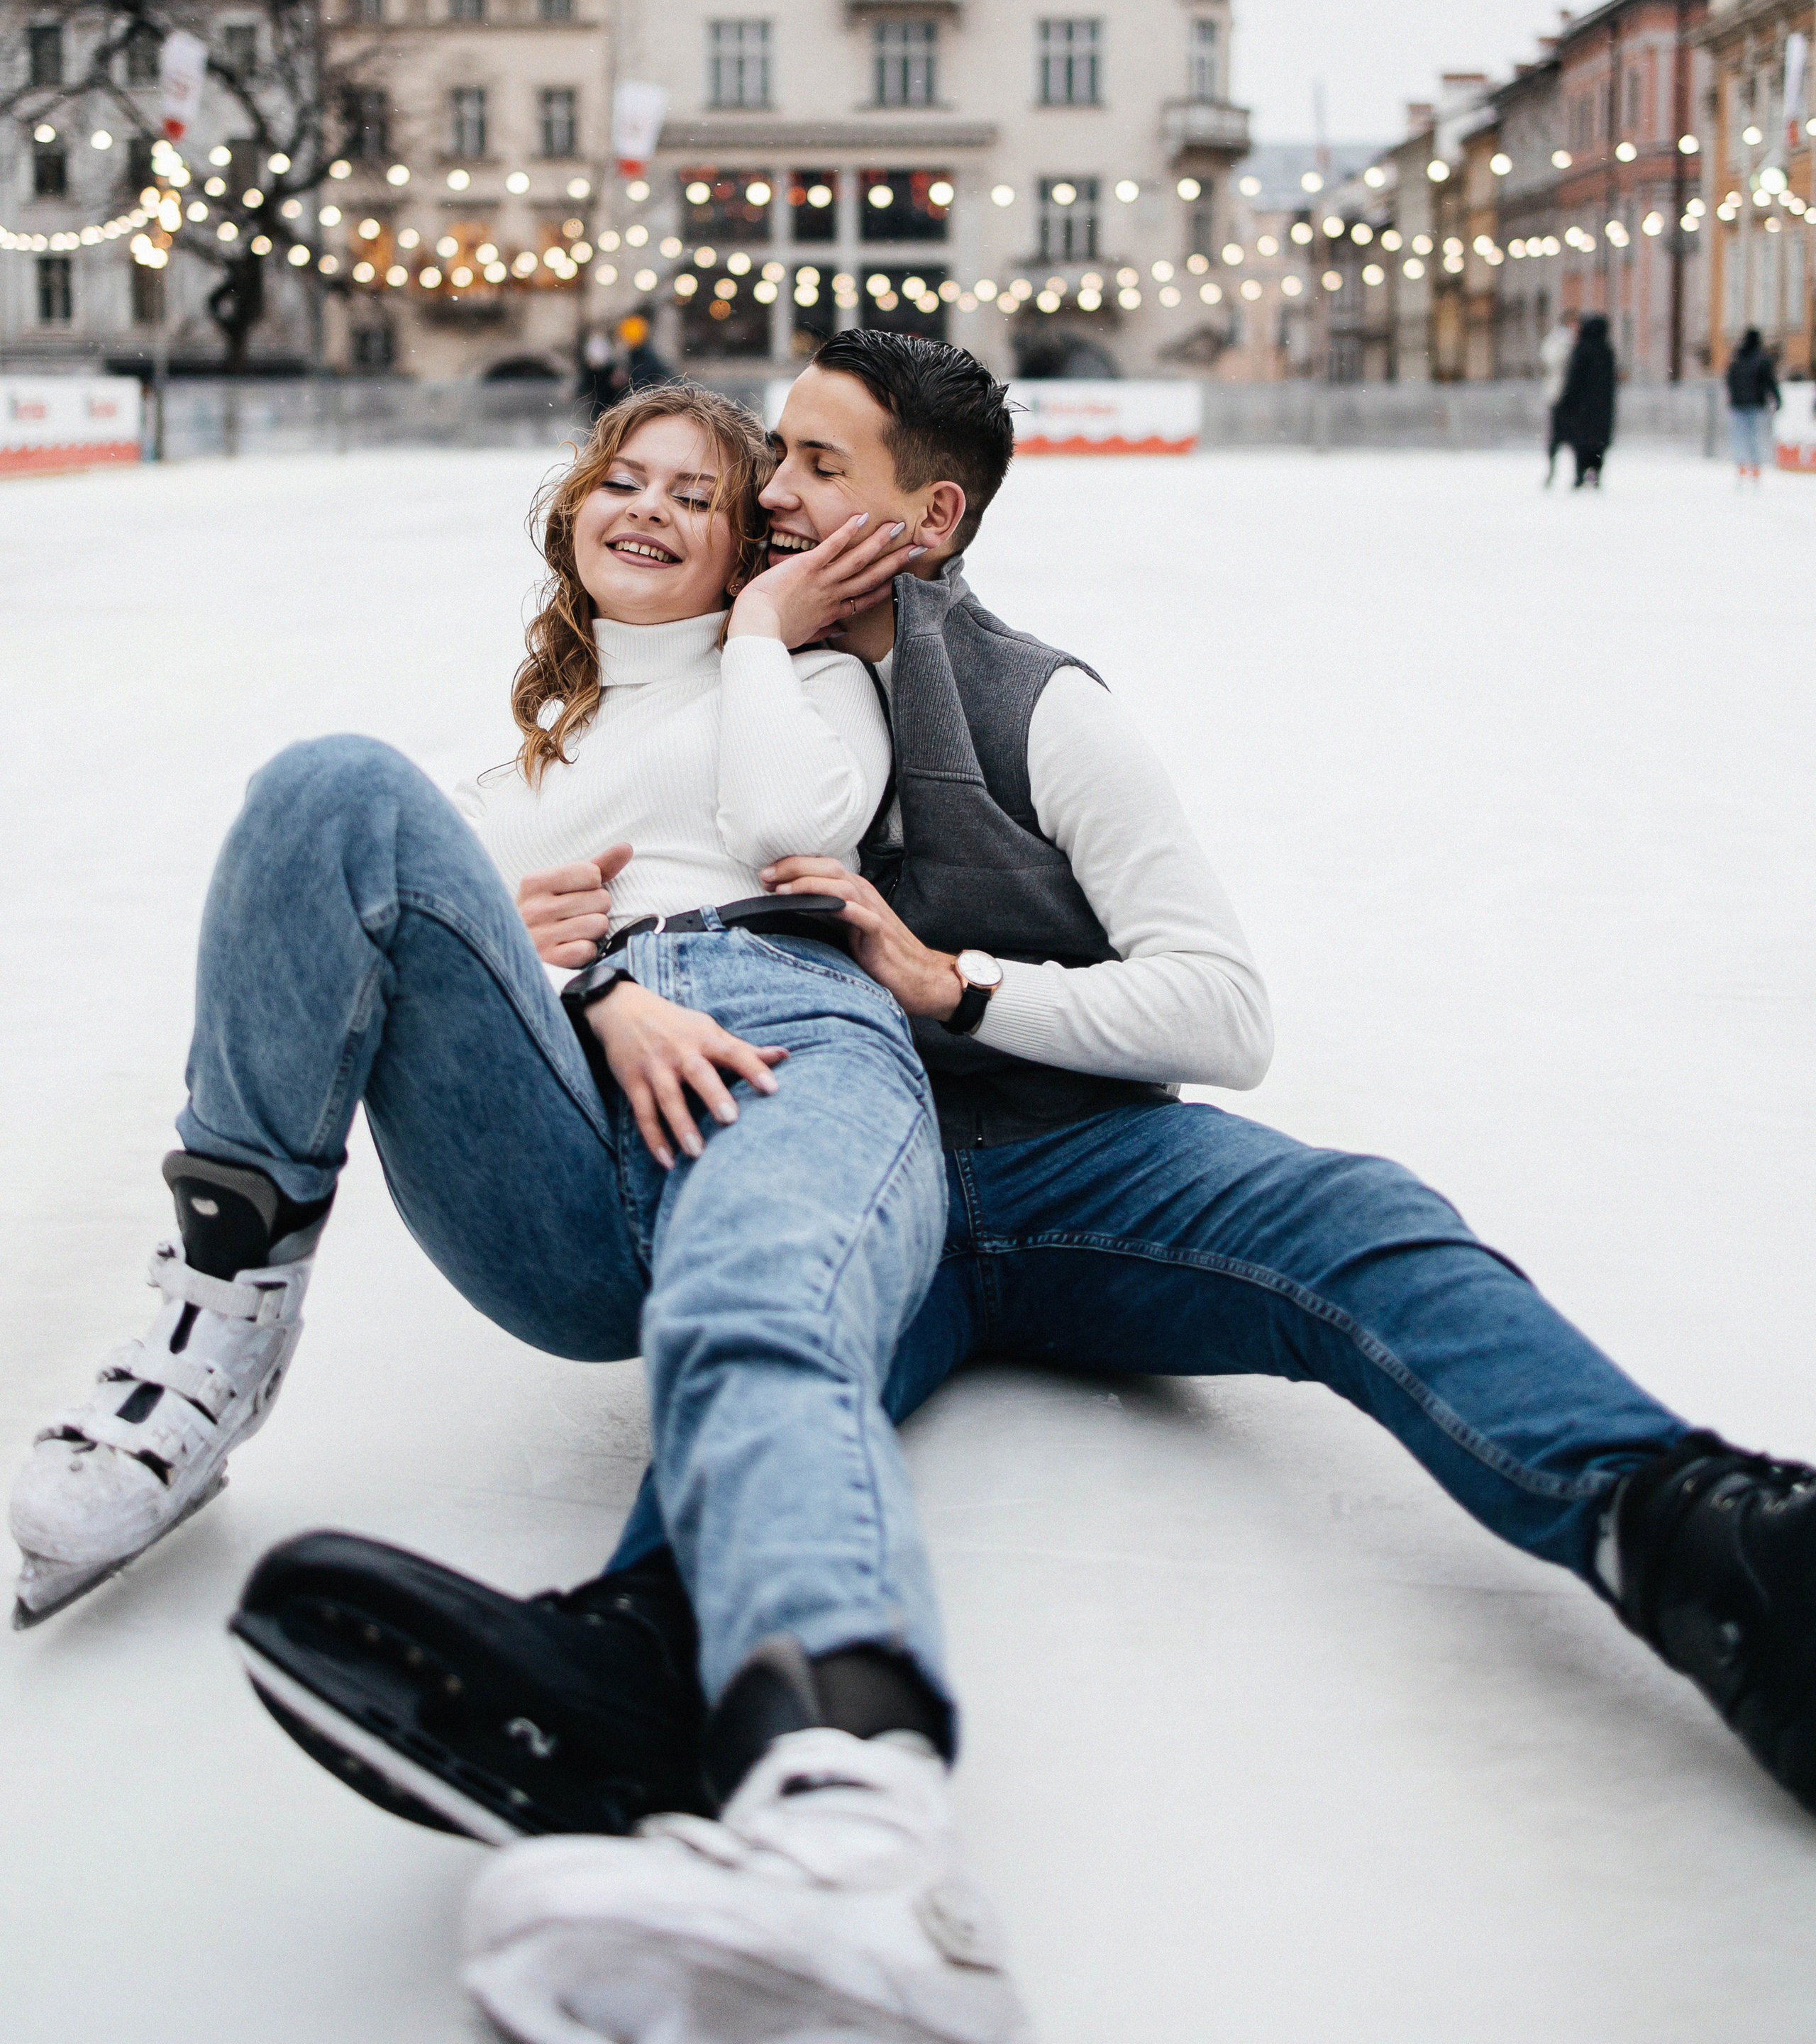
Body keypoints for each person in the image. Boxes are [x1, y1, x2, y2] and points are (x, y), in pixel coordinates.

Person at [248, 333, 1816, 2042]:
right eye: (773, 456)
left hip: (1058, 1151)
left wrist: (958, 987)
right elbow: (573, 879)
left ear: (925, 521)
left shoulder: (1033, 705)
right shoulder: (714, 672)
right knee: (763, 1308)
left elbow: (1220, 1007)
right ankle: (659, 1657)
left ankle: (1700, 1541)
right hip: (819, 1148)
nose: (769, 494)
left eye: (819, 468)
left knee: (1359, 1223)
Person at [11, 375, 1035, 2044]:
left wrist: (761, 631)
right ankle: (211, 1340)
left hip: (772, 1058)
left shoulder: (805, 682)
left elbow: (790, 826)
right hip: (554, 1173)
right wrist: (577, 983)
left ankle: (853, 1836)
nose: (648, 507)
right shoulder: (498, 795)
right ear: (572, 512)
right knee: (334, 784)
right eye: (623, 477)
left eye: (696, 494)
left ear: (741, 544)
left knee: (760, 1320)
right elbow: (382, 954)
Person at [1551, 309, 1616, 489]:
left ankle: (1580, 474)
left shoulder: (1581, 350)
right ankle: (1595, 473)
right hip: (1602, 410)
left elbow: (1574, 380)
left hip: (1582, 410)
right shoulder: (1606, 351)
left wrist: (1566, 402)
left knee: (1581, 444)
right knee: (1598, 445)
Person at [1725, 325, 1781, 483]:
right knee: (1753, 436)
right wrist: (1777, 398)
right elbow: (1770, 381)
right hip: (1755, 404)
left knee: (1739, 436)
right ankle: (1755, 466)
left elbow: (1730, 379)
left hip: (1738, 404)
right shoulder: (1762, 360)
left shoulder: (1738, 357)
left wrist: (1733, 395)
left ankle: (1741, 465)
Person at [1539, 304, 1579, 487]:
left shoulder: (1576, 341)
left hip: (1570, 396)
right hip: (1560, 394)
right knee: (1558, 436)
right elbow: (1551, 361)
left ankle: (1574, 472)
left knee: (1570, 436)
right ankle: (1553, 470)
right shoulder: (1558, 340)